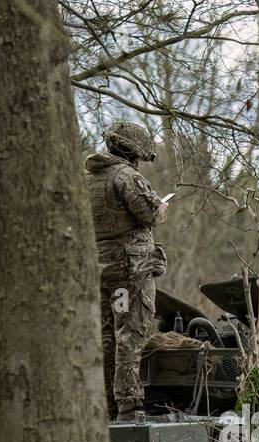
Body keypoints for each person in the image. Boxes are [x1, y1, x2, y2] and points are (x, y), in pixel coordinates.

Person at [84, 122, 169, 420]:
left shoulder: (87, 178)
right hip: (131, 269)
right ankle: (130, 405)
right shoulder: (126, 177)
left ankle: (109, 405)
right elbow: (148, 214)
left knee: (107, 335)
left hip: (100, 268)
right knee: (131, 332)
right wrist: (160, 207)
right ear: (133, 153)